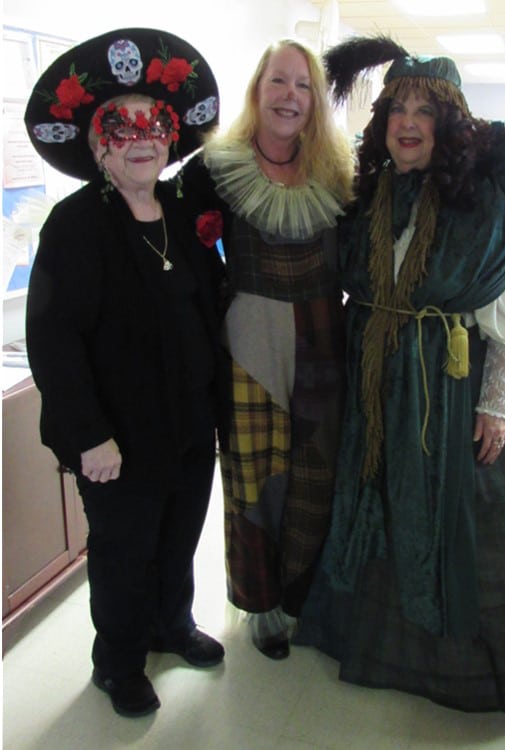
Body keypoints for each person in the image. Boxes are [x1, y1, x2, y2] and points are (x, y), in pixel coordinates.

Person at [294, 36, 505, 712]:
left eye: (427, 111)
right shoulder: (366, 198)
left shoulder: (483, 204)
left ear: (451, 124)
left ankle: (465, 651)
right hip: (375, 388)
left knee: (466, 521)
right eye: (397, 107)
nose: (407, 121)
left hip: (452, 389)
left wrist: (496, 406)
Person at [24, 28, 228, 718]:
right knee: (122, 551)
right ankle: (118, 660)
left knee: (179, 535)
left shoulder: (178, 211)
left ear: (171, 136)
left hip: (191, 424)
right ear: (97, 144)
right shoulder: (74, 225)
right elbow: (52, 339)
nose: (141, 138)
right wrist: (89, 435)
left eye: (155, 124)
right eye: (122, 126)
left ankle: (172, 625)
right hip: (117, 438)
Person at [178, 39, 355, 659]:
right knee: (252, 479)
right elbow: (181, 257)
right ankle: (260, 604)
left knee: (314, 475)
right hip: (248, 343)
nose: (290, 97)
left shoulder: (337, 172)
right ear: (258, 89)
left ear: (315, 102)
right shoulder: (214, 168)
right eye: (279, 82)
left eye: (303, 86)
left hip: (322, 343)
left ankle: (303, 594)